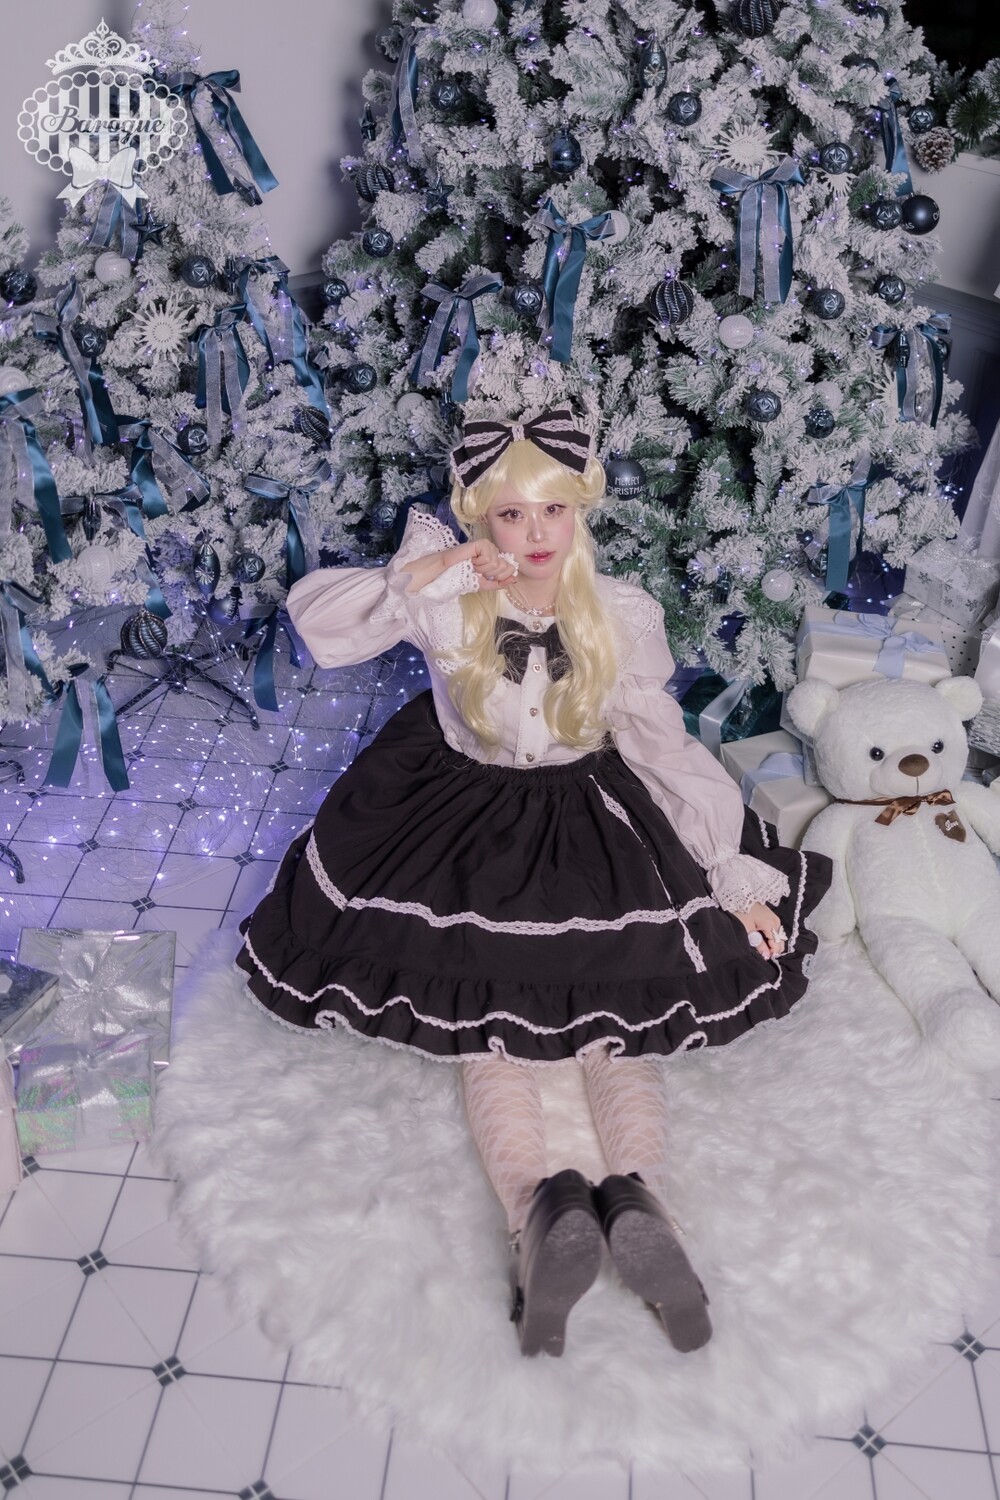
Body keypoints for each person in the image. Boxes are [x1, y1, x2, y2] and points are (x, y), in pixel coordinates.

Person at [236, 405, 830, 1360]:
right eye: (511, 514)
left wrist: (728, 868)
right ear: (479, 518)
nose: (536, 533)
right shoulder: (446, 594)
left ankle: (641, 1207)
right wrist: (432, 569)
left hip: (590, 812)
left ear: (582, 509)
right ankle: (540, 1215)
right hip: (456, 814)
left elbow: (662, 748)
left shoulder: (621, 612)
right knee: (490, 1027)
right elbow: (321, 625)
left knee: (615, 1018)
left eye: (554, 510)